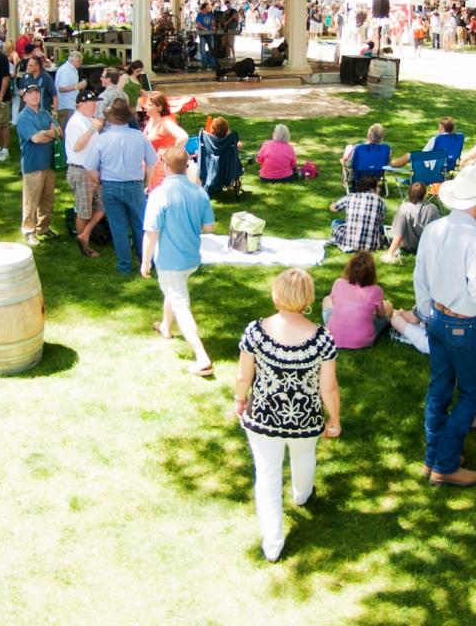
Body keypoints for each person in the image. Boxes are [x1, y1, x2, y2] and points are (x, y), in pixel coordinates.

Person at [234, 268, 340, 561]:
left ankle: (273, 544)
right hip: (305, 419)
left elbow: (243, 376)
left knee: (267, 475)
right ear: (308, 298)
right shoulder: (322, 338)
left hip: (263, 417)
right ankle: (302, 495)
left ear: (276, 294)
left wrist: (240, 399)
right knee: (304, 457)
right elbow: (329, 387)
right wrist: (334, 419)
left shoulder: (255, 332)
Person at [413, 163, 476, 487]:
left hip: (436, 317)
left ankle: (433, 457)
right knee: (470, 395)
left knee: (439, 390)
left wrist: (427, 311)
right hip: (462, 323)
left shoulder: (435, 229)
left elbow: (420, 275)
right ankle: (445, 463)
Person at [141, 145, 216, 376]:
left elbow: (151, 233)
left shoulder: (159, 194)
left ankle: (202, 357)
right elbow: (209, 227)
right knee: (173, 291)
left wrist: (145, 262)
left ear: (165, 166)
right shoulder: (199, 192)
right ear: (186, 166)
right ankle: (166, 326)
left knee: (180, 303)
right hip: (191, 258)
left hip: (170, 261)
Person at [84, 97, 158, 276]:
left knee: (118, 227)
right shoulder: (139, 136)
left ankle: (124, 266)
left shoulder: (102, 139)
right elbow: (152, 162)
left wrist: (99, 182)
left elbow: (90, 168)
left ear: (110, 118)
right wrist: (147, 182)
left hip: (110, 186)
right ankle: (146, 261)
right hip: (134, 185)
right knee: (141, 224)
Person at [14, 82, 59, 245]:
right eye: (30, 94)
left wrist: (46, 133)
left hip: (49, 163)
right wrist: (50, 133)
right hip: (33, 164)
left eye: (36, 93)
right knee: (31, 200)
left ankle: (43, 228)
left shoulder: (45, 113)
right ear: (24, 98)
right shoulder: (23, 117)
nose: (34, 96)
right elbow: (35, 138)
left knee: (47, 198)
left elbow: (60, 132)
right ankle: (29, 231)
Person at [64, 88, 105, 259]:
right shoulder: (75, 123)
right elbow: (77, 146)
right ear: (80, 104)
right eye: (91, 102)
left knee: (101, 206)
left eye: (95, 102)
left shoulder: (89, 119)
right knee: (84, 210)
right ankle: (84, 246)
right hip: (80, 170)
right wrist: (91, 130)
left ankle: (85, 235)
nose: (95, 105)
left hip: (92, 170)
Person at [141, 91, 187, 192]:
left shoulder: (166, 122)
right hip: (152, 167)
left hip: (162, 168)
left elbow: (183, 137)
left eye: (149, 105)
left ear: (159, 108)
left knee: (160, 194)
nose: (145, 106)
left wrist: (169, 153)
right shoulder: (152, 118)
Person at [330, 176, 388, 253]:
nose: (380, 189)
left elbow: (334, 208)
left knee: (335, 222)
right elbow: (381, 219)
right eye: (378, 187)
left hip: (349, 242)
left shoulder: (350, 196)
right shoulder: (381, 201)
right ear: (371, 188)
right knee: (380, 227)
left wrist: (332, 204)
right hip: (372, 245)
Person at [384, 182, 440, 261]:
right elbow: (437, 233)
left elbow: (398, 233)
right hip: (426, 247)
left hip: (408, 246)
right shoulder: (432, 209)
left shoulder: (404, 208)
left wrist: (390, 253)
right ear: (425, 194)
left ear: (410, 193)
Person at [54, 51, 87, 129]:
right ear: (72, 60)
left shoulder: (71, 69)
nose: (81, 63)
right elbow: (61, 88)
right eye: (79, 61)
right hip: (66, 106)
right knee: (67, 130)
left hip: (70, 105)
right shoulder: (66, 70)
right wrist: (77, 86)